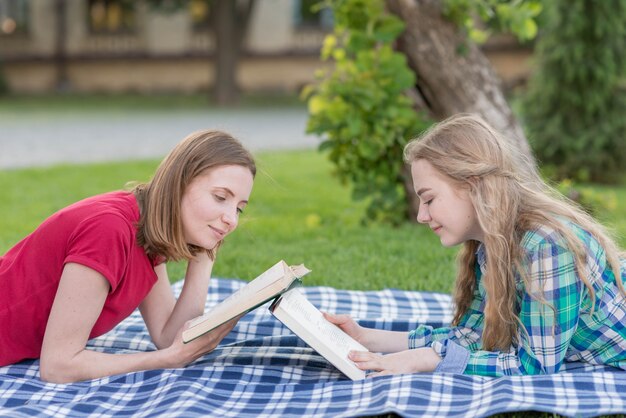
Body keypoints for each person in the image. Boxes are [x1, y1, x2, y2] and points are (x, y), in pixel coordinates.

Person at [326, 113, 626, 377]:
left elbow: (535, 365)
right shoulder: (491, 243)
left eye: (429, 198)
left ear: (472, 184)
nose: (421, 215)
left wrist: (429, 359)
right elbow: (472, 333)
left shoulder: (546, 244)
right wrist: (367, 338)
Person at [0, 130, 256, 383]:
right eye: (220, 197)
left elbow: (171, 337)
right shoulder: (109, 231)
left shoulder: (149, 232)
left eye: (239, 209)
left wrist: (204, 255)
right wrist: (165, 360)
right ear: (180, 183)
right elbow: (58, 366)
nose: (231, 220)